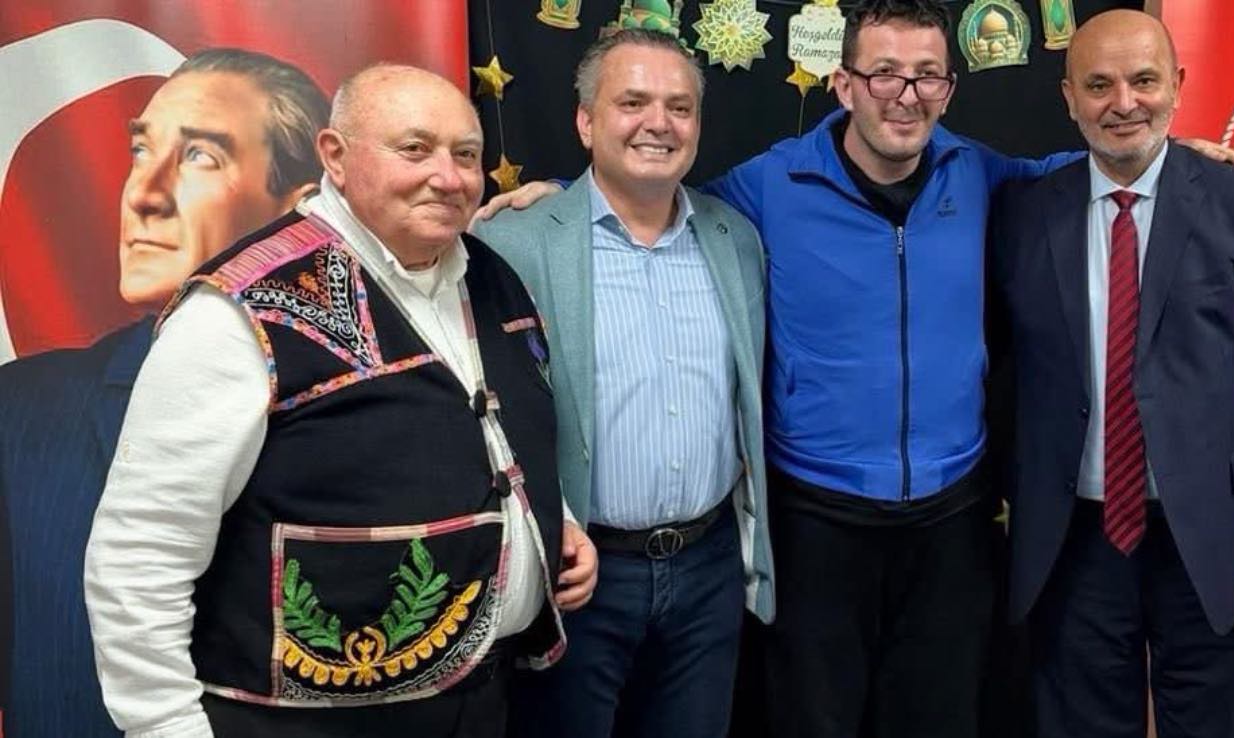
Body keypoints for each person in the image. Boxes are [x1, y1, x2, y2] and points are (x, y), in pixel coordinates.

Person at [476, 3, 1234, 734]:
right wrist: (559, 198)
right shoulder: (768, 186)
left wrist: (1171, 161)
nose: (905, 95)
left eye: (927, 75)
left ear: (948, 88)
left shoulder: (979, 173)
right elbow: (656, 196)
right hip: (817, 521)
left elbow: (1076, 172)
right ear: (843, 84)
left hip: (952, 520)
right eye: (883, 73)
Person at [82, 64, 596, 738]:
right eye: (414, 149)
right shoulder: (236, 311)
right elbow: (142, 547)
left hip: (481, 702)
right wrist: (164, 725)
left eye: (466, 155)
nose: (448, 176)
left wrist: (545, 526)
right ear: (334, 155)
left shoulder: (492, 277)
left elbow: (498, 433)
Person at [986, 10, 1234, 737]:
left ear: (1178, 84)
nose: (1124, 103)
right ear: (1069, 97)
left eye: (1144, 81)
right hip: (1071, 545)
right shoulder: (1021, 215)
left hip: (1213, 541)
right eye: (1099, 85)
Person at [0, 48, 325, 738]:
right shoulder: (21, 409)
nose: (142, 194)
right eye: (142, 150)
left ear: (299, 211)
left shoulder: (378, 402)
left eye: (201, 156)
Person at [475, 29, 771, 738]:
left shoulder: (736, 239)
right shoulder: (513, 242)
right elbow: (478, 414)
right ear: (586, 122)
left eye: (679, 107)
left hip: (708, 570)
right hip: (580, 577)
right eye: (632, 102)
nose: (658, 123)